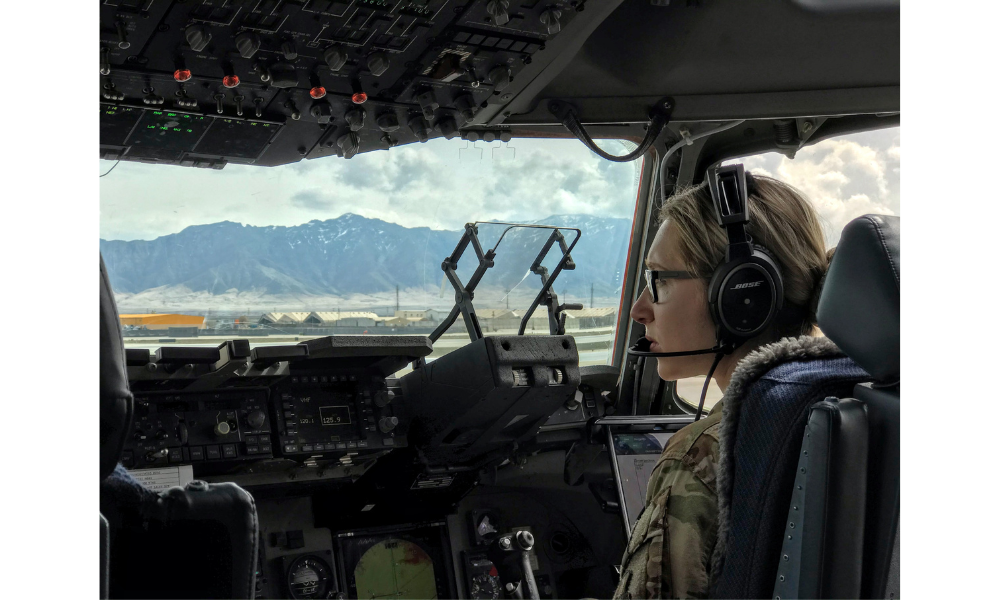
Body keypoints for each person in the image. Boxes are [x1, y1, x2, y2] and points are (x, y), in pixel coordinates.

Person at [612, 172, 833, 600]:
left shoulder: (705, 454)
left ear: (740, 293)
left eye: (659, 279)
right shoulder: (849, 403)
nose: (639, 309)